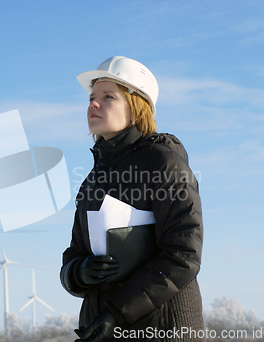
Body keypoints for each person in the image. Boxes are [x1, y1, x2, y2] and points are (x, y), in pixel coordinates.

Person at [60, 56, 204, 342]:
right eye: (91, 97)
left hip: (161, 329)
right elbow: (73, 253)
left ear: (137, 108)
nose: (93, 104)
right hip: (103, 328)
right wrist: (81, 271)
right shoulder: (93, 178)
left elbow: (183, 254)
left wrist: (116, 312)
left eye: (108, 97)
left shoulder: (164, 163)